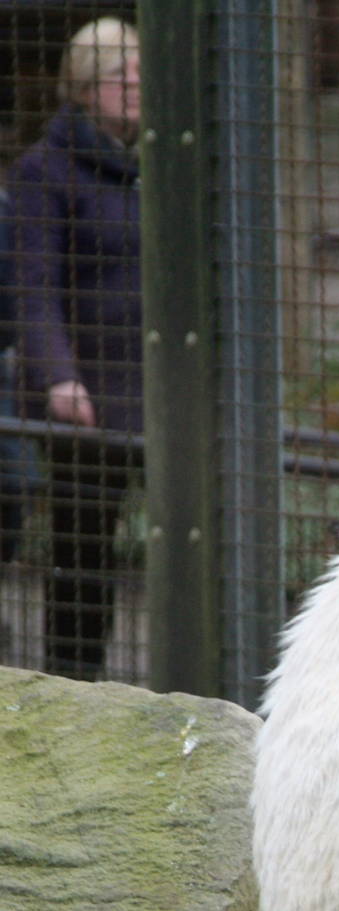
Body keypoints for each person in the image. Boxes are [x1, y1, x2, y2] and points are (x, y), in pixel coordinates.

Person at [9, 17, 142, 679]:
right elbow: (33, 288)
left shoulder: (159, 164)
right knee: (83, 549)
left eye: (142, 76)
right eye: (122, 78)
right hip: (86, 397)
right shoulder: (45, 170)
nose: (136, 89)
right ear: (87, 88)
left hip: (152, 388)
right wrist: (59, 376)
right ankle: (72, 683)